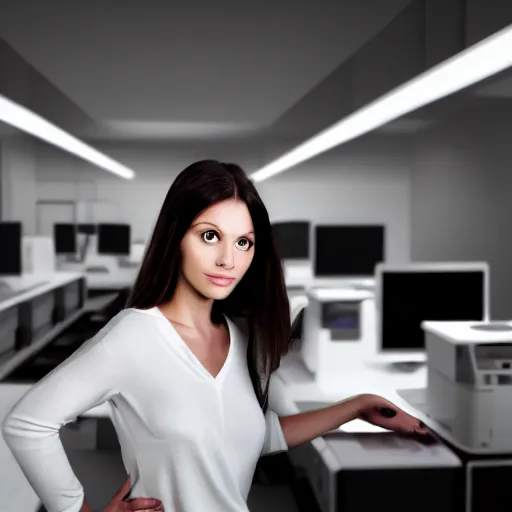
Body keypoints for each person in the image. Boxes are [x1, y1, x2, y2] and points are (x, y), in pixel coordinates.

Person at [2, 160, 429, 512]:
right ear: (177, 237)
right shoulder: (134, 336)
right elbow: (27, 424)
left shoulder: (242, 336)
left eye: (244, 242)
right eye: (210, 236)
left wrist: (355, 407)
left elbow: (251, 438)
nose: (229, 259)